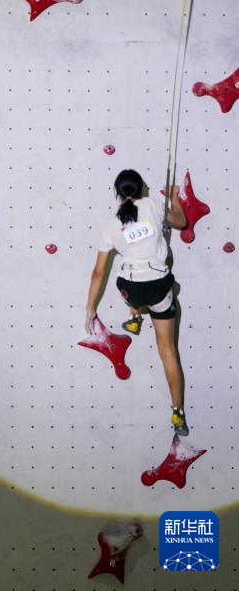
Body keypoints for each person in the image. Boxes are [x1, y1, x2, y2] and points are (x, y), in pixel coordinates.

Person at [85, 169, 189, 434]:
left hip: (130, 289)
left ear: (118, 193)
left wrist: (90, 310)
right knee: (168, 351)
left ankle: (134, 316)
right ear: (142, 188)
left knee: (128, 281)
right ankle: (177, 412)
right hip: (157, 288)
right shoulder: (153, 205)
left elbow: (98, 272)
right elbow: (181, 222)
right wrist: (174, 197)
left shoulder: (111, 224)